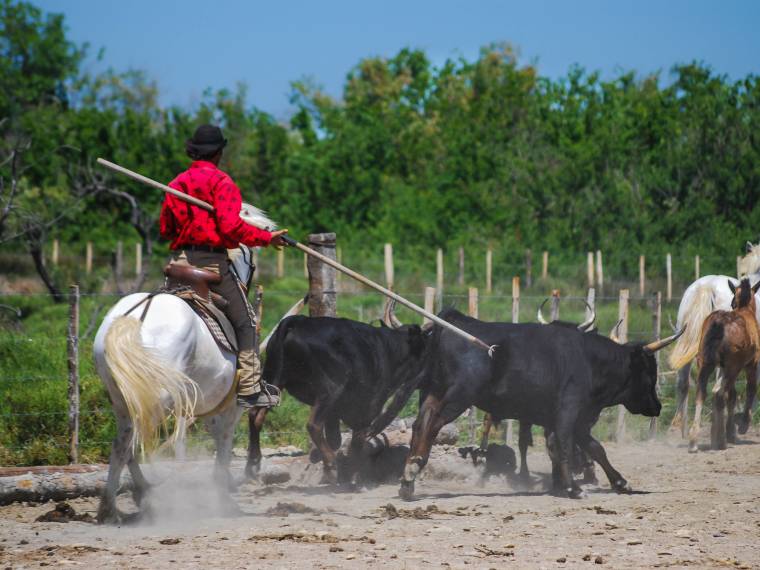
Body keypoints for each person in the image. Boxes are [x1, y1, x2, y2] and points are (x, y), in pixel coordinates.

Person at [159, 124, 289, 408]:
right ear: (218, 152)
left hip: (179, 264)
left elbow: (166, 228)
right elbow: (231, 229)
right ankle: (250, 389)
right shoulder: (222, 183)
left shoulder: (176, 184)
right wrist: (267, 238)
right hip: (211, 266)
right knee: (247, 322)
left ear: (194, 150)